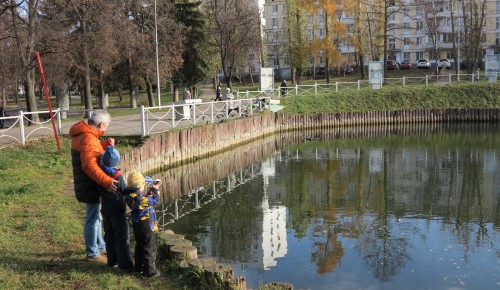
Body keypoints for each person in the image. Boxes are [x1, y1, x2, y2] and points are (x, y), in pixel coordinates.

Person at [69, 110, 119, 263]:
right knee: (93, 218)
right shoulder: (89, 138)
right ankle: (92, 253)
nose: (106, 128)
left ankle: (100, 245)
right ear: (101, 124)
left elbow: (91, 153)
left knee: (97, 216)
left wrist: (104, 145)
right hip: (89, 184)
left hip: (87, 182)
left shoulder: (86, 135)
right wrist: (107, 181)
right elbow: (90, 165)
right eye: (107, 126)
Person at [98, 146, 134, 270]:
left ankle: (112, 261)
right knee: (122, 236)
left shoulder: (99, 173)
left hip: (105, 209)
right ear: (116, 162)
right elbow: (124, 190)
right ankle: (125, 264)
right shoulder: (117, 175)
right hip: (117, 210)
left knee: (109, 235)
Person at [124, 172, 161, 278]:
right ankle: (149, 271)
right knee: (150, 247)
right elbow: (154, 200)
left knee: (140, 245)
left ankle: (139, 267)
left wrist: (150, 190)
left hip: (137, 225)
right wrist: (155, 189)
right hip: (146, 226)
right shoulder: (140, 199)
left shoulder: (130, 196)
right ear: (139, 187)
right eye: (142, 186)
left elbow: (146, 200)